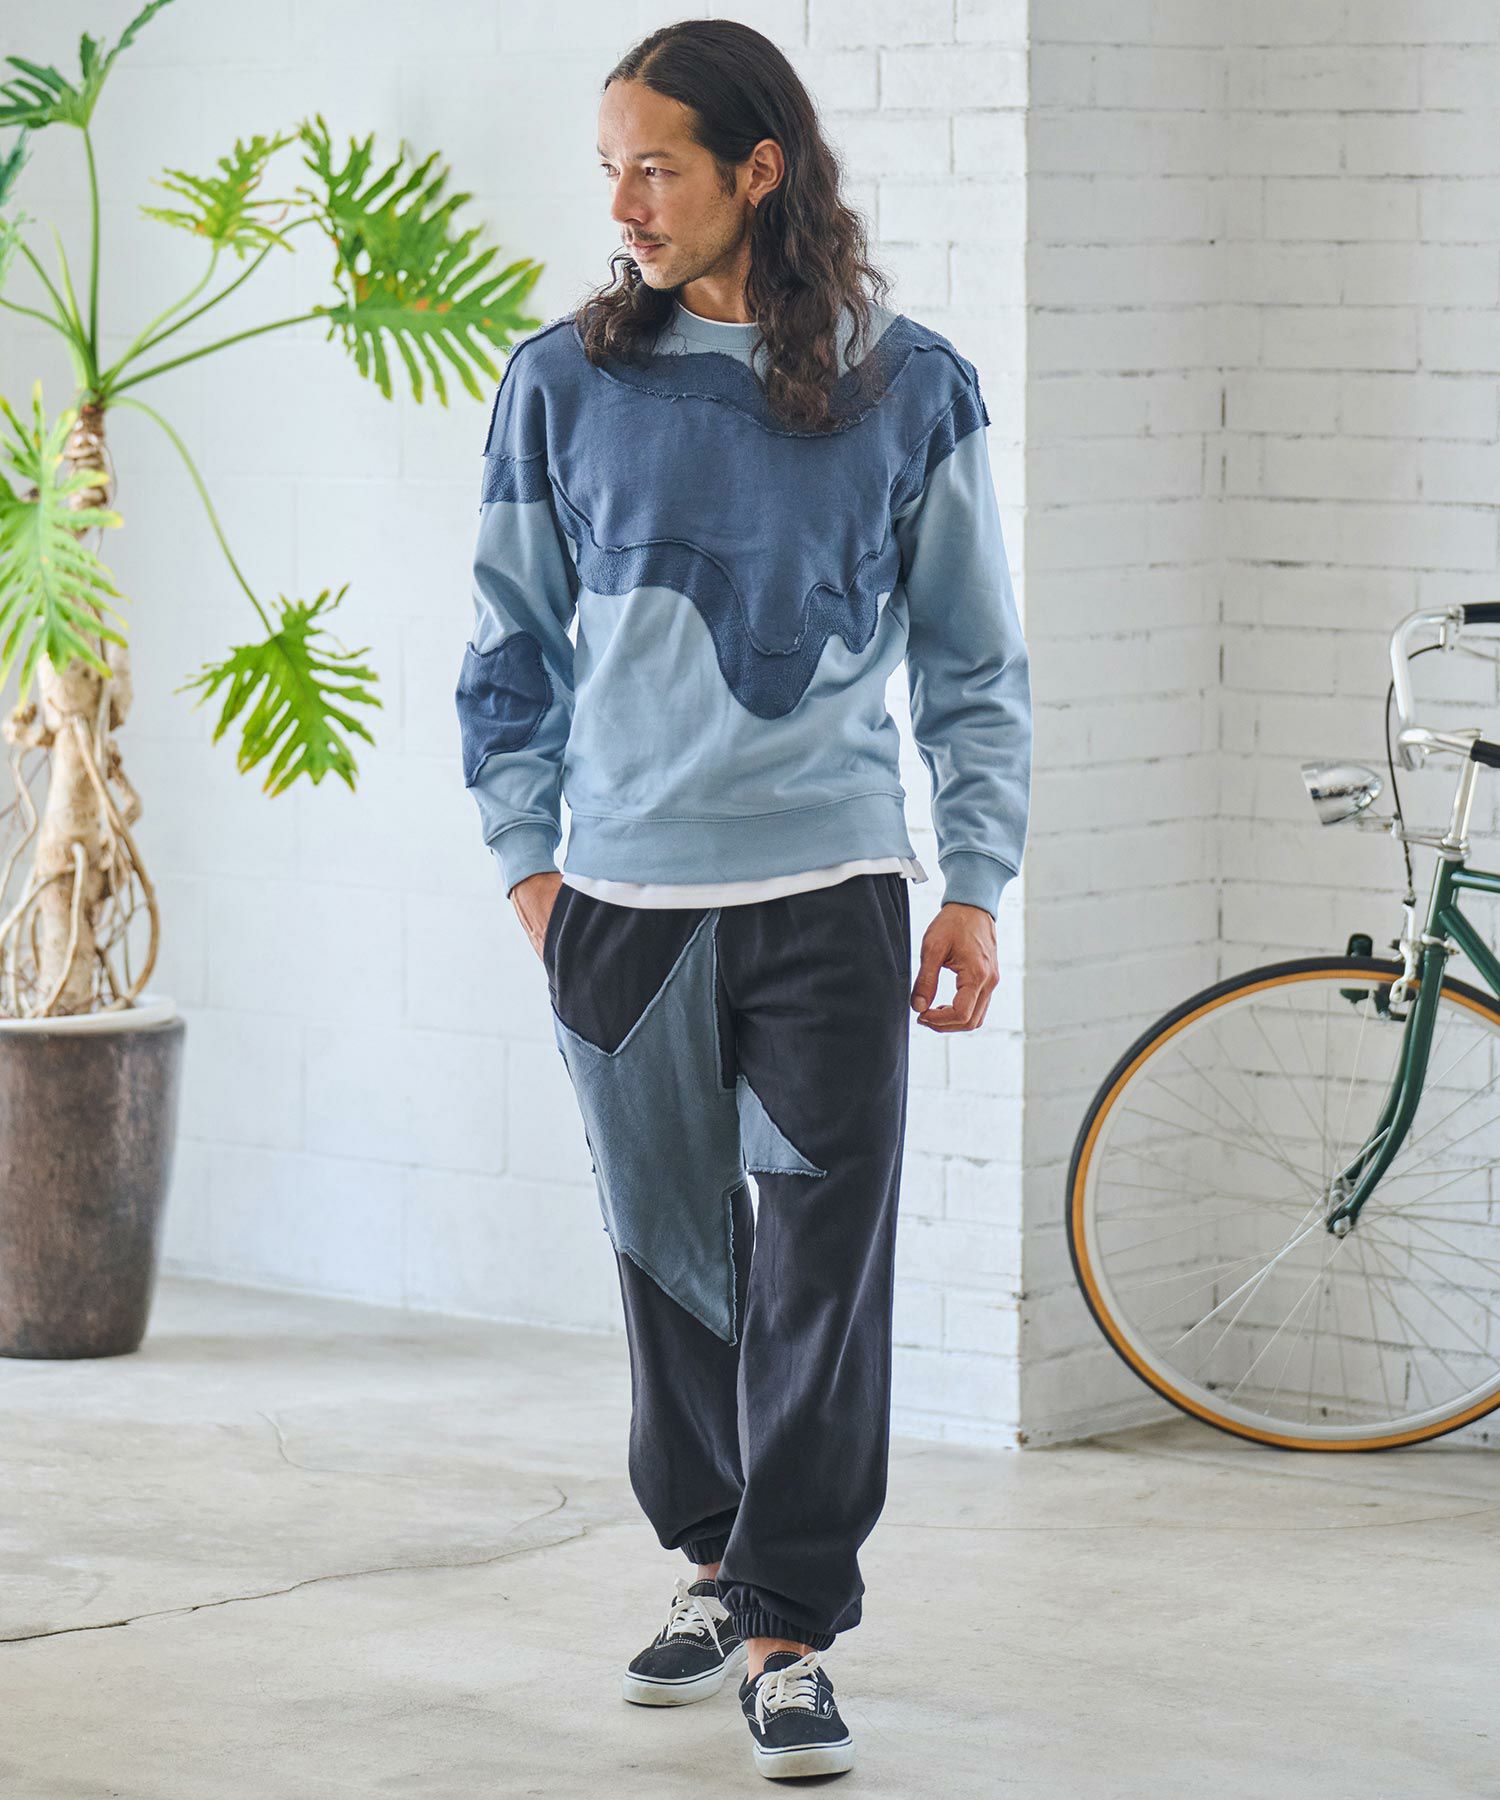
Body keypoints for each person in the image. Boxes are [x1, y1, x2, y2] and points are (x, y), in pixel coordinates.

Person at [455, 18, 1031, 1783]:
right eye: (608, 169)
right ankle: (713, 1564)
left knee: (822, 1279)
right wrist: (531, 868)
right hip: (623, 905)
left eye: (656, 167)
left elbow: (975, 664)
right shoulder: (562, 382)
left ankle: (790, 1632)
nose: (622, 204)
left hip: (831, 892)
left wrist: (975, 882)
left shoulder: (907, 386)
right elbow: (506, 647)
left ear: (755, 171)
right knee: (672, 1260)